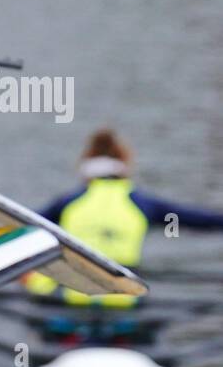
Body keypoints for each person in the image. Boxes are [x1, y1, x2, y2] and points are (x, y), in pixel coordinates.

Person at [26, 128, 223, 304]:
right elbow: (200, 220)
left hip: (71, 300)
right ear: (125, 164)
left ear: (85, 166)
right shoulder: (143, 204)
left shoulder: (68, 202)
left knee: (38, 281)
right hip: (124, 301)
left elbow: (25, 227)